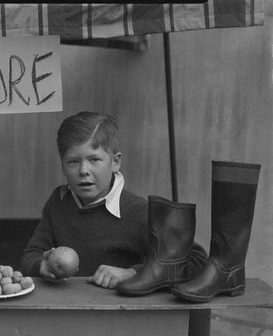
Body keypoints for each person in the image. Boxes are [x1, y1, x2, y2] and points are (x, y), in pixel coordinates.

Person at [20, 111, 207, 289]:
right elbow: (30, 256)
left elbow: (196, 261)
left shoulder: (139, 211)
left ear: (115, 162)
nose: (83, 170)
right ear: (62, 165)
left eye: (94, 160)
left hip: (123, 316)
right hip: (66, 313)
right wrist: (40, 266)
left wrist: (132, 273)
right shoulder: (58, 202)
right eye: (73, 162)